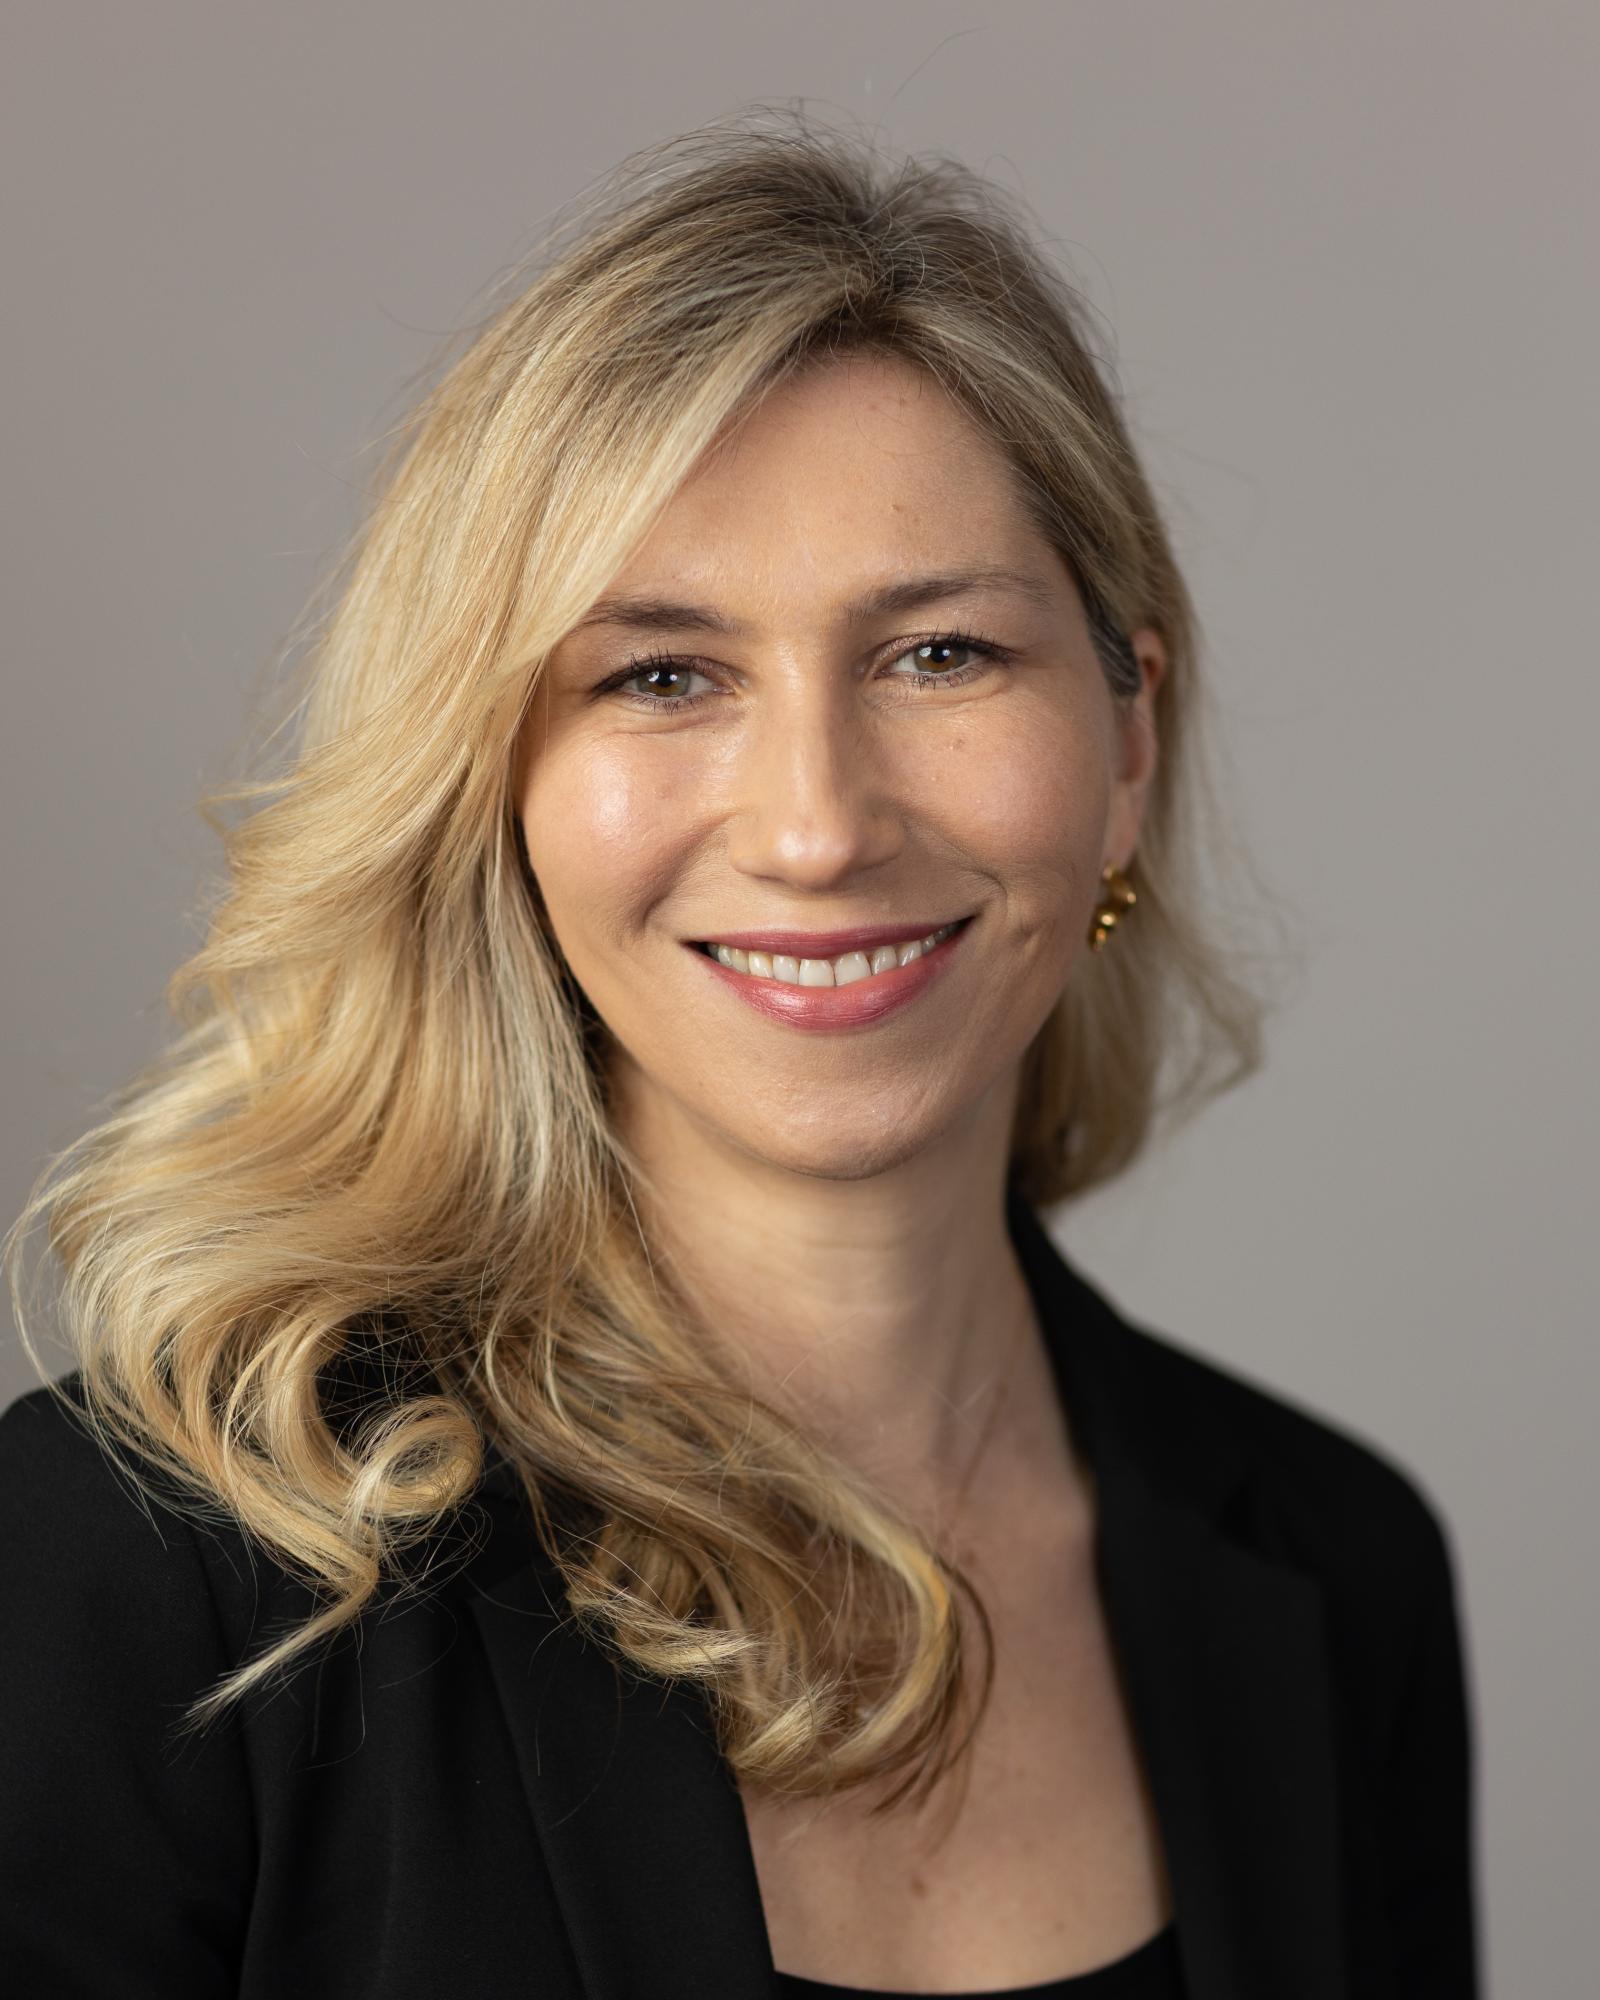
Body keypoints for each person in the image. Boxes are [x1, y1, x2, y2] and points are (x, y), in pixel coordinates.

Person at [0, 109, 1479, 1998]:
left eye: (939, 653)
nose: (814, 827)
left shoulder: (1339, 1574)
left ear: (1125, 747)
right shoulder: (139, 1574)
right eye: (662, 675)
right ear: (492, 782)